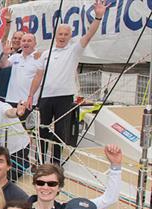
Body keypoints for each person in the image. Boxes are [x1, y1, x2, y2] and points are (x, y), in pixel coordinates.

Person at [28, 0, 106, 164]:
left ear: (70, 36)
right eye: (60, 34)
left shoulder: (74, 50)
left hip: (64, 96)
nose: (62, 37)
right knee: (42, 129)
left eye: (66, 34)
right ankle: (41, 161)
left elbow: (89, 35)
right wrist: (30, 96)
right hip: (45, 96)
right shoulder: (46, 53)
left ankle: (56, 163)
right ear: (55, 35)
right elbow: (38, 76)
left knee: (60, 131)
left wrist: (98, 17)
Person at [29, 144, 123, 209]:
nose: (45, 187)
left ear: (60, 187)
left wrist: (116, 166)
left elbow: (109, 199)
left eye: (52, 184)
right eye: (40, 183)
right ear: (34, 185)